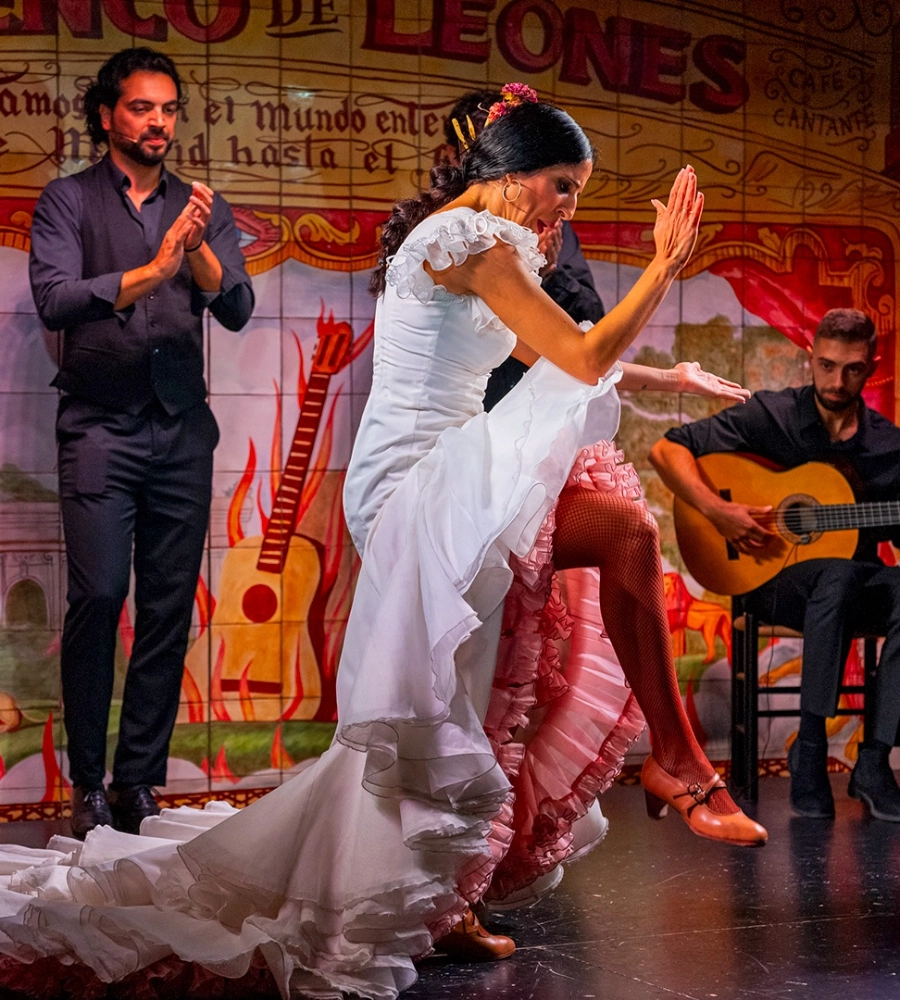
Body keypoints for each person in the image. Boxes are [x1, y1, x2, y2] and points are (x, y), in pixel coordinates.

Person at [0, 86, 759, 1000]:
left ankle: (459, 891)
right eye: (563, 185)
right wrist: (665, 265)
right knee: (571, 578)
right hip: (418, 483)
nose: (567, 208)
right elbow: (581, 358)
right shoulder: (467, 240)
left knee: (473, 687)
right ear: (515, 171)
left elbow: (549, 353)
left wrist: (666, 372)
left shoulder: (483, 240)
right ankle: (674, 764)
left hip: (451, 467)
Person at [28, 47, 254, 839]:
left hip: (181, 431)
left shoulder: (199, 205)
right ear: (107, 115)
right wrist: (156, 269)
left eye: (167, 109)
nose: (157, 122)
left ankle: (136, 782)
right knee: (98, 598)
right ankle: (87, 782)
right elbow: (56, 300)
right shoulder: (67, 200)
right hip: (99, 427)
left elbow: (236, 308)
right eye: (140, 107)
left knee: (167, 606)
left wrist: (195, 247)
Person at [649, 308, 900, 821]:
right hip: (774, 584)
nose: (837, 381)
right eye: (826, 365)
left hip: (854, 590)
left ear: (871, 368)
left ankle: (875, 761)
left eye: (852, 369)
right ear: (811, 358)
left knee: (849, 576)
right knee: (836, 574)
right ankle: (810, 749)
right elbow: (666, 450)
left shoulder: (887, 446)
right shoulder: (772, 415)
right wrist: (719, 512)